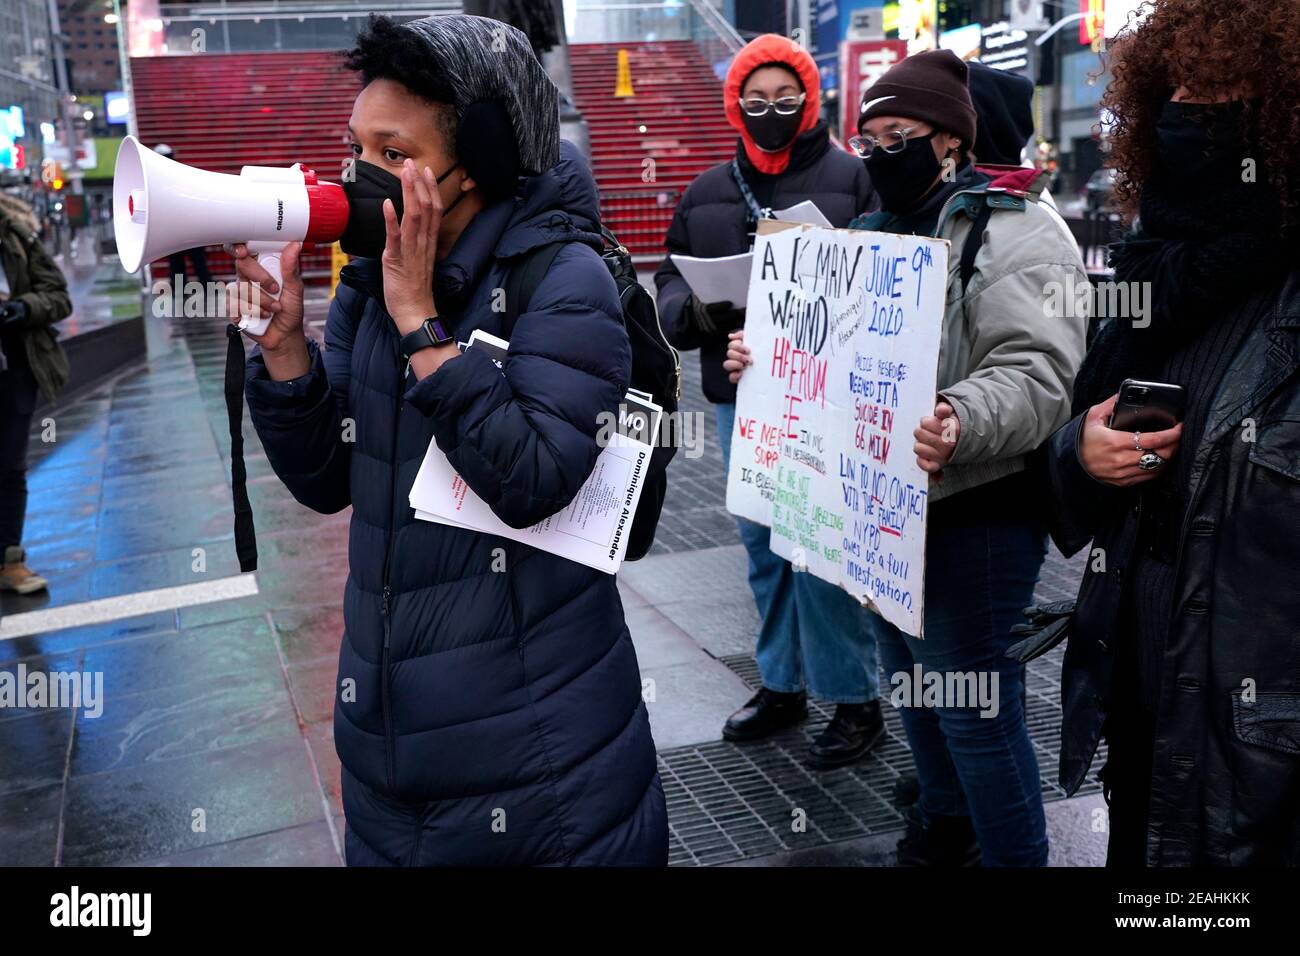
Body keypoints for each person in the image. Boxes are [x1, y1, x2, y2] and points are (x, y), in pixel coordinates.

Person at [230, 14, 667, 866]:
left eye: (394, 155)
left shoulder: (561, 278)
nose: (364, 175)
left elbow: (536, 477)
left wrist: (423, 329)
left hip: (537, 760)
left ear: (483, 166)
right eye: (356, 147)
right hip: (390, 745)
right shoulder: (368, 283)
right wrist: (285, 353)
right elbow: (328, 477)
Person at [731, 50, 1088, 864]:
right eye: (871, 137)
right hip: (881, 512)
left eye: (902, 135)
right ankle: (942, 831)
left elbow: (1039, 371)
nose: (881, 152)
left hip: (977, 511)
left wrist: (960, 417)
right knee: (917, 696)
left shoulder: (1017, 231)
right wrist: (765, 360)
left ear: (952, 142)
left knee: (974, 713)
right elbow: (823, 352)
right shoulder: (868, 232)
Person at [1043, 0, 1300, 867]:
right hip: (1145, 710)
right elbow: (1075, 436)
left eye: (1225, 92)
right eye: (1180, 91)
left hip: (1259, 761)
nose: (1195, 112)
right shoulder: (1149, 270)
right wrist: (1082, 452)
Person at [655, 34, 884, 768]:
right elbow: (668, 290)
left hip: (827, 399)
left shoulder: (853, 178)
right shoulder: (705, 191)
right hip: (743, 392)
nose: (771, 113)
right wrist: (702, 313)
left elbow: (885, 284)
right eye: (755, 102)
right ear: (735, 105)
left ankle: (854, 699)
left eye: (786, 101)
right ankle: (782, 685)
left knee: (818, 546)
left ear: (810, 101)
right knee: (763, 546)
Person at [0, 192, 71, 594]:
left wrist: (23, 308)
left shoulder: (17, 235)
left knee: (10, 467)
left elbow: (59, 296)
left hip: (14, 368)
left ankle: (9, 561)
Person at [153, 144, 213, 288]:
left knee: (180, 261)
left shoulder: (161, 179)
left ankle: (185, 288)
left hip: (178, 227)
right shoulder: (178, 175)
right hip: (188, 225)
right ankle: (205, 286)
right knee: (194, 260)